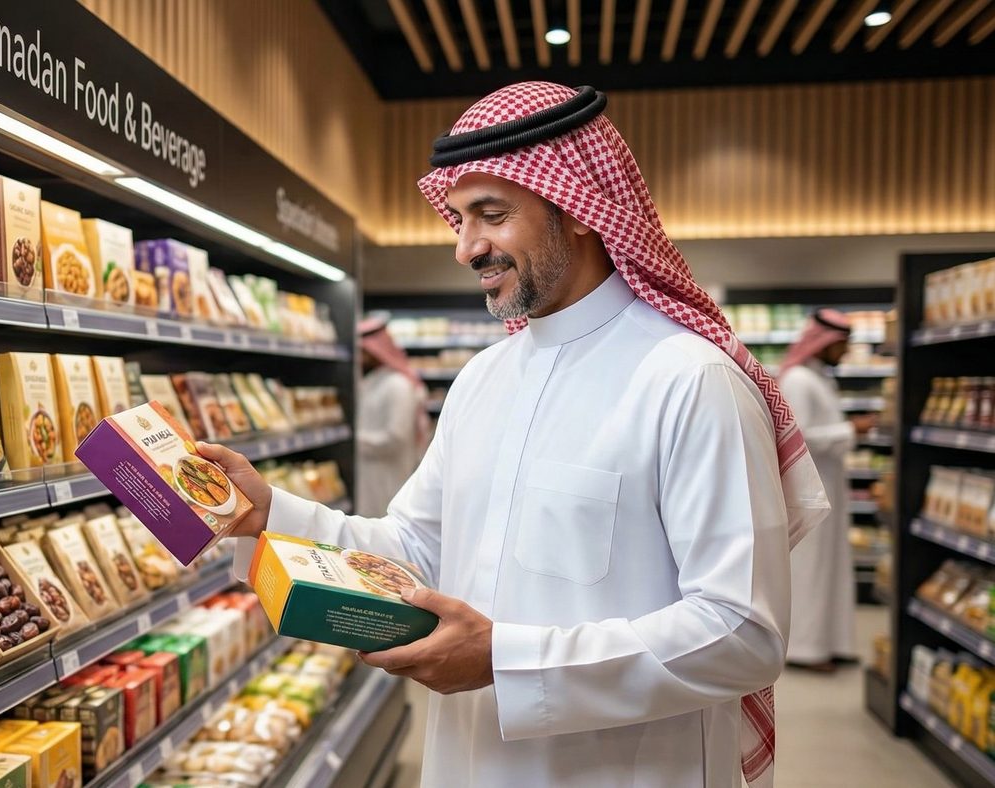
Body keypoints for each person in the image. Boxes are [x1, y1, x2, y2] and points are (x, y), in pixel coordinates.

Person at [198, 82, 829, 788]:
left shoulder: (689, 381)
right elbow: (413, 549)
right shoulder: (482, 380)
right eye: (459, 220)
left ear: (583, 210)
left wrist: (504, 659)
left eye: (492, 215)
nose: (467, 248)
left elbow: (741, 633)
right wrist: (272, 514)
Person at [779, 310, 875, 671]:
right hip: (809, 490)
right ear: (826, 342)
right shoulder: (800, 380)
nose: (846, 352)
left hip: (829, 484)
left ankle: (833, 642)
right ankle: (804, 649)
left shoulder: (819, 379)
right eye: (843, 344)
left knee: (831, 565)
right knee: (812, 568)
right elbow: (799, 439)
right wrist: (852, 429)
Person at [356, 312, 430, 516]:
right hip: (368, 476)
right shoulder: (372, 381)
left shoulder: (398, 385)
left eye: (363, 351)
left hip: (389, 477)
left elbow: (395, 438)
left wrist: (354, 441)